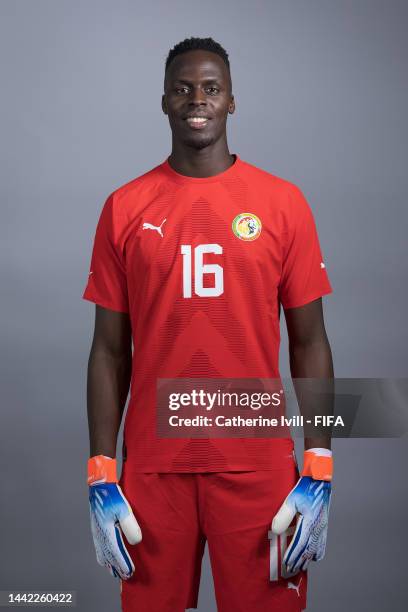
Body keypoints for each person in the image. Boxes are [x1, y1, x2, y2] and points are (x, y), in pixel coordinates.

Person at [83, 36, 334, 612]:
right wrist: (101, 472)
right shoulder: (125, 207)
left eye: (211, 88)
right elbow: (107, 352)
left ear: (231, 101)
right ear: (166, 101)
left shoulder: (282, 203)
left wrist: (319, 460)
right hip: (152, 471)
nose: (198, 99)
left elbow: (310, 340)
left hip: (257, 464)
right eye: (184, 88)